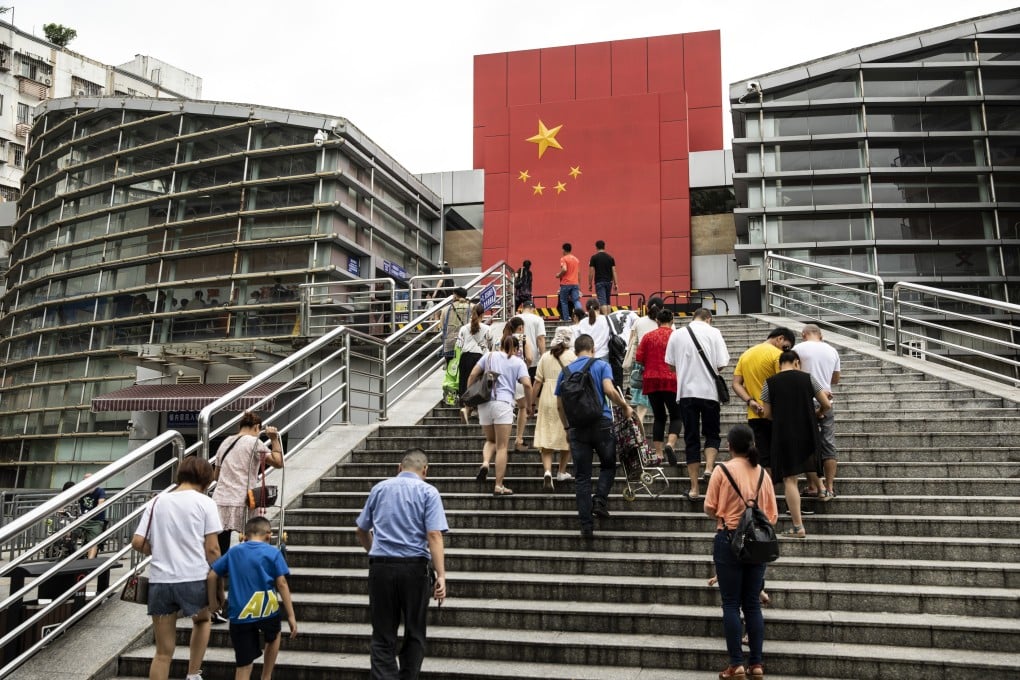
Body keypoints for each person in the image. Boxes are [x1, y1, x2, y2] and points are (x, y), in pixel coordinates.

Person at [355, 448, 448, 680]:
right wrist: (441, 575)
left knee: (382, 634)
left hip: (381, 568)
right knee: (415, 631)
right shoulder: (429, 492)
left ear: (400, 467)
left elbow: (361, 529)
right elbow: (434, 535)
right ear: (425, 470)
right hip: (414, 568)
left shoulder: (379, 488)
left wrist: (374, 551)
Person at [131, 456, 222, 680]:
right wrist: (219, 578)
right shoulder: (205, 503)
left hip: (160, 581)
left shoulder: (157, 502)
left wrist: (162, 550)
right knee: (202, 620)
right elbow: (212, 550)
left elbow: (137, 541)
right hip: (193, 578)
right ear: (206, 479)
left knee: (162, 653)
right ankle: (193, 673)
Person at [704, 424, 779, 680]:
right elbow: (773, 517)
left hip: (728, 539)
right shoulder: (763, 475)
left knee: (731, 603)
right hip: (757, 545)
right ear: (752, 446)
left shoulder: (721, 470)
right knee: (752, 605)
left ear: (729, 446)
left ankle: (736, 664)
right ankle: (756, 664)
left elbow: (709, 508)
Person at [556, 334, 633, 539]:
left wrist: (566, 429)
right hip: (601, 424)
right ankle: (599, 500)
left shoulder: (565, 372)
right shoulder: (601, 366)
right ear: (592, 349)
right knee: (608, 465)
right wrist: (624, 406)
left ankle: (586, 526)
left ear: (576, 351)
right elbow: (609, 390)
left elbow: (559, 405)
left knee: (582, 478)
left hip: (577, 429)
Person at [209, 516, 297, 680]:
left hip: (240, 613)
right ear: (268, 535)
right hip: (267, 610)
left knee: (243, 664)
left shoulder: (234, 551)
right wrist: (291, 615)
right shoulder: (273, 552)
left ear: (244, 536)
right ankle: (266, 675)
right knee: (274, 635)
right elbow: (282, 584)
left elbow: (212, 575)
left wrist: (213, 603)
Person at [760, 350, 831, 538]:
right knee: (808, 463)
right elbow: (827, 404)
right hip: (808, 431)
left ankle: (798, 526)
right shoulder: (808, 379)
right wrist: (817, 413)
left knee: (789, 479)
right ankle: (822, 489)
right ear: (797, 363)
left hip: (783, 434)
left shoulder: (769, 383)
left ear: (780, 364)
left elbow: (766, 414)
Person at [665, 308, 731, 498]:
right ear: (709, 319)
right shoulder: (714, 332)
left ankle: (694, 489)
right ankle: (709, 468)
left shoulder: (677, 334)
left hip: (686, 392)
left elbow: (670, 364)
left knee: (691, 438)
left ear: (693, 316)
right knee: (712, 433)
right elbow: (722, 363)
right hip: (710, 392)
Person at [466, 334, 533, 494]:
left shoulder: (489, 356)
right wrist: (530, 405)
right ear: (517, 349)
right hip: (503, 404)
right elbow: (527, 385)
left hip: (484, 403)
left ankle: (485, 463)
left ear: (500, 344)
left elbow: (473, 374)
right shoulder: (518, 362)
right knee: (502, 447)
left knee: (490, 440)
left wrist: (470, 394)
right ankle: (498, 485)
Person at [211, 412, 284, 558]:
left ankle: (220, 576)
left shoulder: (225, 442)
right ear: (257, 427)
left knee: (221, 546)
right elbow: (278, 462)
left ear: (240, 426)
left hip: (220, 500)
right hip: (243, 501)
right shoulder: (254, 442)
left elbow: (216, 475)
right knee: (251, 540)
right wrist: (274, 439)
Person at [731, 328, 795, 473]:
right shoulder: (778, 355)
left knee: (763, 457)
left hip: (755, 415)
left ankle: (764, 490)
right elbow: (784, 383)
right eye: (786, 345)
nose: (786, 350)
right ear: (780, 338)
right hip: (776, 414)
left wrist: (750, 401)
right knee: (780, 455)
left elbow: (736, 383)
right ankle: (772, 490)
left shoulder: (746, 354)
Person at [794, 324, 842, 500]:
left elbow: (793, 374)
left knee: (806, 444)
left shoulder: (798, 349)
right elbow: (836, 378)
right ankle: (829, 487)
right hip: (826, 400)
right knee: (828, 443)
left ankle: (814, 486)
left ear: (803, 335)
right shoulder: (832, 350)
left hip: (804, 402)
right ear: (820, 335)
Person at [635, 309, 681, 473]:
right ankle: (670, 444)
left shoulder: (648, 336)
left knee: (659, 417)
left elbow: (639, 358)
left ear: (657, 321)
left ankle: (659, 454)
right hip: (672, 380)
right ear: (672, 319)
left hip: (651, 380)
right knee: (676, 416)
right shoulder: (677, 336)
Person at [533, 326, 576, 490]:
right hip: (566, 399)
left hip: (546, 397)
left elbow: (537, 382)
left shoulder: (545, 357)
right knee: (568, 434)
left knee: (546, 434)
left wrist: (531, 403)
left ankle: (547, 471)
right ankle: (562, 471)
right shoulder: (573, 357)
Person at [626, 297, 664, 429]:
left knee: (641, 397)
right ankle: (644, 424)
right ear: (662, 309)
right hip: (659, 364)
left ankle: (638, 422)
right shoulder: (667, 323)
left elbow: (631, 342)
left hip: (641, 363)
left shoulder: (638, 321)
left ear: (646, 308)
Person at [456, 303, 494, 424]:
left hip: (465, 358)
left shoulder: (463, 328)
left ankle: (466, 408)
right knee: (479, 385)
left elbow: (459, 345)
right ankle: (477, 410)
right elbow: (492, 345)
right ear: (482, 314)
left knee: (465, 384)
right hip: (480, 358)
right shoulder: (487, 329)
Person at [502, 316, 535, 451]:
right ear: (521, 327)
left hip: (504, 378)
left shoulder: (503, 339)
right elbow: (529, 358)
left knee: (507, 409)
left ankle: (503, 439)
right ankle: (519, 438)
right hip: (519, 378)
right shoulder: (524, 339)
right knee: (522, 408)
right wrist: (524, 366)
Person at [77, 472, 106, 559]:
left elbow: (101, 503)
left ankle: (90, 562)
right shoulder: (81, 492)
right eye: (85, 481)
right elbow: (70, 499)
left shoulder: (100, 491)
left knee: (93, 541)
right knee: (68, 533)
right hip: (83, 519)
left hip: (96, 520)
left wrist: (94, 512)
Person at [588, 240, 619, 314]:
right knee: (608, 302)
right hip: (609, 282)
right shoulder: (610, 258)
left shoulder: (594, 257)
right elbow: (614, 271)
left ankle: (605, 319)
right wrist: (616, 283)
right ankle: (608, 318)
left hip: (599, 281)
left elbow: (591, 272)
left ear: (596, 247)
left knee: (602, 302)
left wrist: (590, 283)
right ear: (604, 246)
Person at [555, 243, 581, 323]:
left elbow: (564, 269)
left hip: (566, 283)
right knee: (576, 300)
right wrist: (578, 284)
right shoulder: (576, 260)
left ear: (563, 249)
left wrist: (558, 275)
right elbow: (579, 273)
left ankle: (566, 319)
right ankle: (580, 316)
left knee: (564, 301)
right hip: (575, 283)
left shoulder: (563, 258)